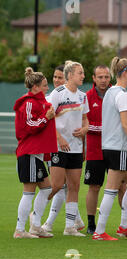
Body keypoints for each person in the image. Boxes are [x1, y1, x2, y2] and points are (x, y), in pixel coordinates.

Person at [92, 56, 127, 241]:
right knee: (111, 189)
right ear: (124, 73)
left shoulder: (110, 92)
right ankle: (99, 231)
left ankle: (124, 226)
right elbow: (125, 124)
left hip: (110, 146)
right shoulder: (122, 95)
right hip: (118, 148)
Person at [83, 65, 127, 234]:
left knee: (122, 187)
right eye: (100, 77)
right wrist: (108, 128)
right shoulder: (87, 97)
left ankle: (126, 223)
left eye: (106, 77)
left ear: (110, 78)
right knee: (94, 186)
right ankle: (91, 224)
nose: (103, 80)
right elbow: (84, 125)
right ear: (93, 78)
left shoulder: (116, 94)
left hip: (115, 148)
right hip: (95, 150)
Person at [13, 67, 57, 239]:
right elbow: (29, 126)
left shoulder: (38, 102)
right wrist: (47, 117)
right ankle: (19, 230)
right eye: (45, 85)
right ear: (36, 87)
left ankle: (35, 226)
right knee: (28, 192)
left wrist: (48, 115)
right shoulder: (29, 103)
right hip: (29, 153)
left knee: (46, 188)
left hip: (36, 154)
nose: (48, 88)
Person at [46, 61, 89, 237]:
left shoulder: (83, 96)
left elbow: (86, 119)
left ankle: (69, 227)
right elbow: (48, 119)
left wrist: (85, 129)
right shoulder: (57, 94)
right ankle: (35, 216)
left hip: (76, 148)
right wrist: (60, 138)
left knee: (74, 186)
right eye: (80, 73)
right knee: (55, 185)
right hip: (58, 147)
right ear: (70, 75)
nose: (83, 76)